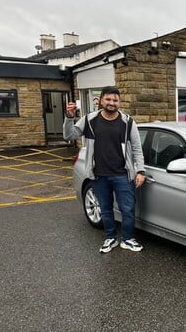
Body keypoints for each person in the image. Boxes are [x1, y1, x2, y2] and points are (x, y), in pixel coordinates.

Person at [63, 86, 146, 253]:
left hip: (123, 174)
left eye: (115, 100)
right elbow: (69, 135)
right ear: (100, 100)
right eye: (108, 99)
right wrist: (69, 118)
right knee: (105, 209)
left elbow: (137, 148)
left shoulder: (128, 122)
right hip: (99, 175)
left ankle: (128, 239)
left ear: (119, 102)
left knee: (127, 209)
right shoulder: (89, 120)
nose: (111, 103)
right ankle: (110, 238)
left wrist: (140, 170)